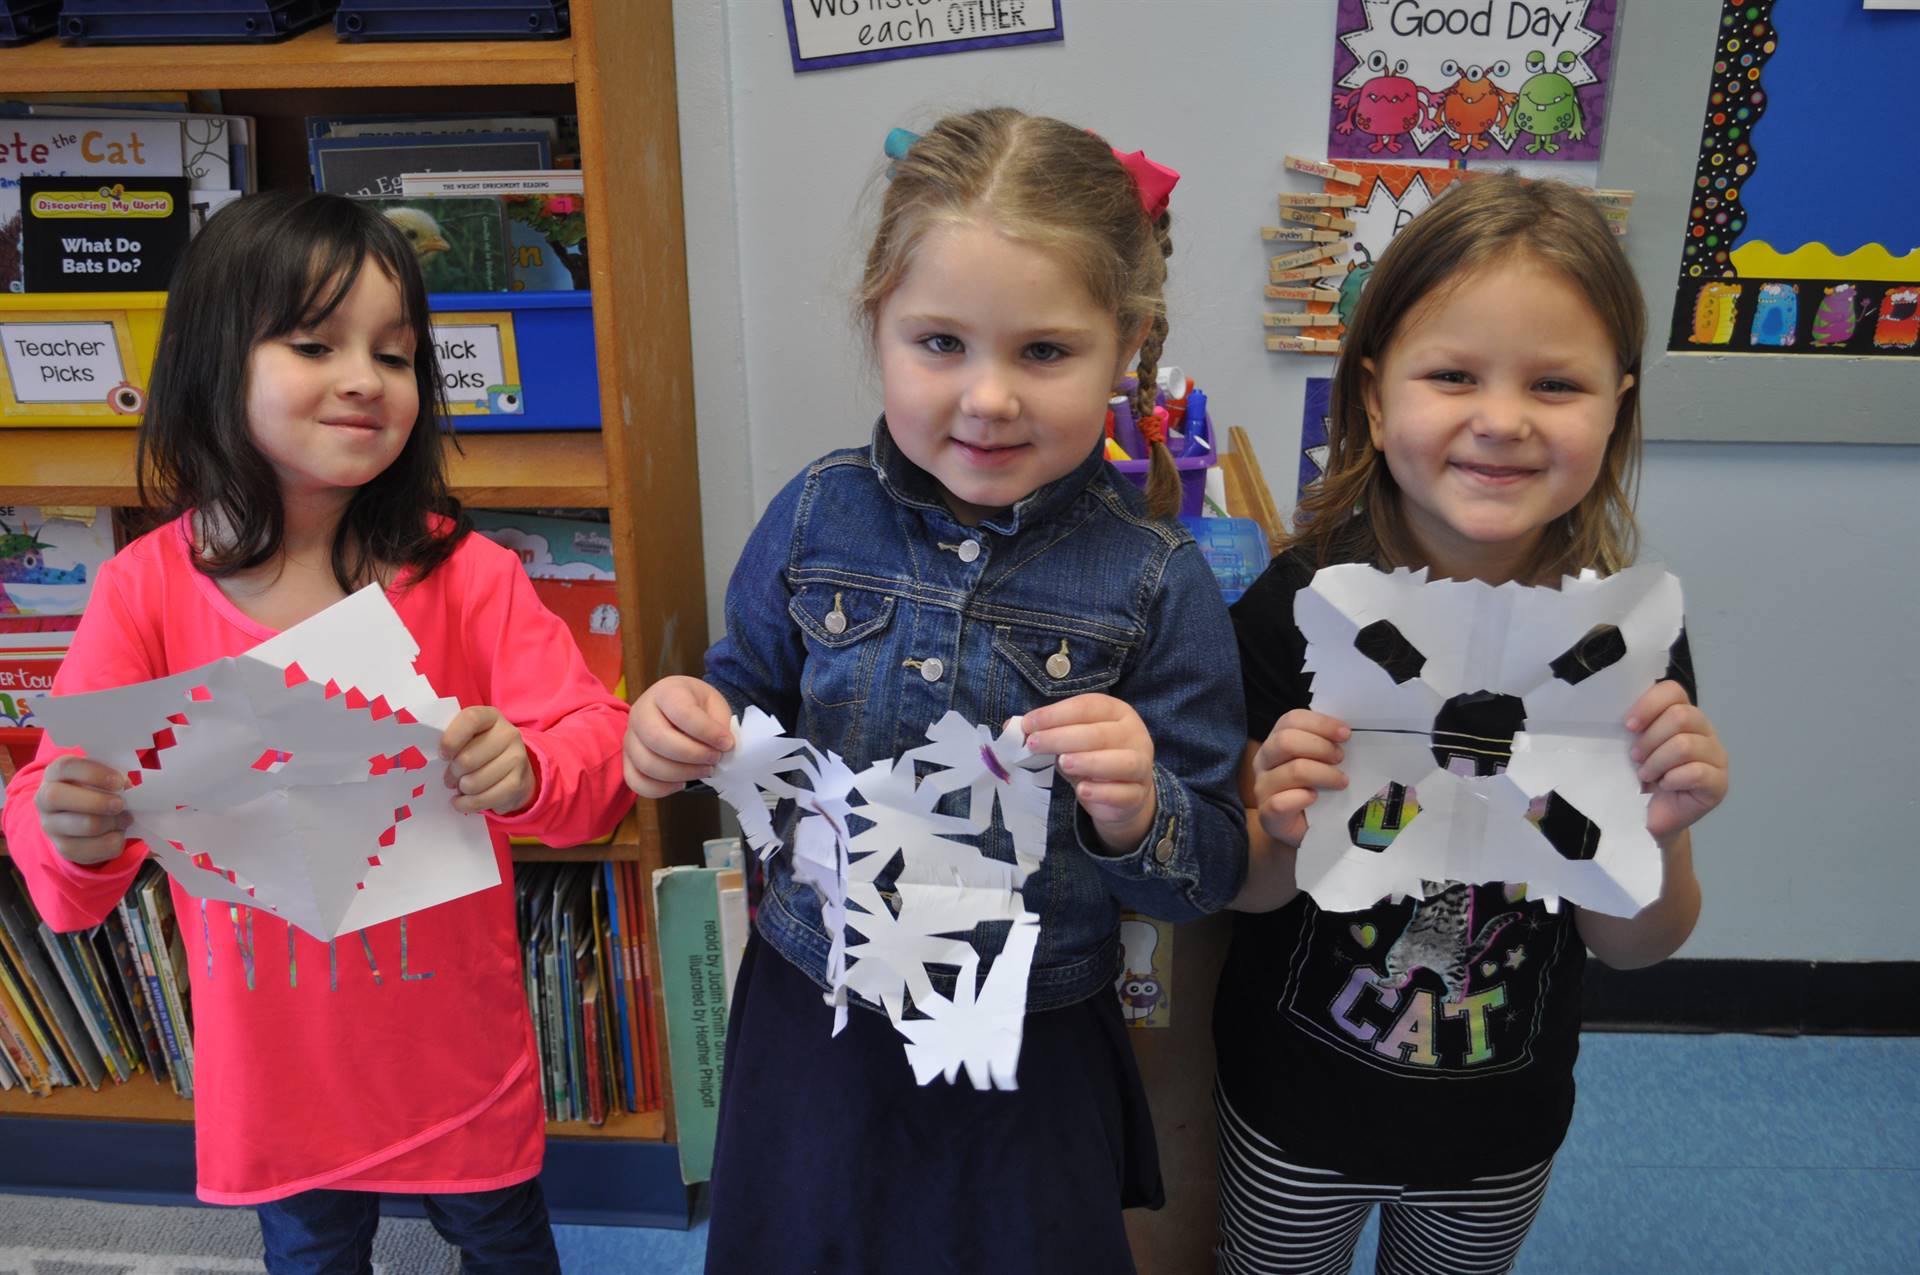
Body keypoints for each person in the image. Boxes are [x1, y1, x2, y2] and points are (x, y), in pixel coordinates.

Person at [623, 107, 1248, 1273]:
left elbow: (1207, 865)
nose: (989, 398)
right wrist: (675, 727)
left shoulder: (1158, 581)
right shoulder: (815, 515)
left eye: (1045, 352)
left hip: (1031, 1033)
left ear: (1130, 344)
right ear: (880, 326)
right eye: (941, 343)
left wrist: (1135, 808)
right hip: (819, 1010)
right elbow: (733, 698)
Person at [2, 192, 634, 1274]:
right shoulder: (145, 591)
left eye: (395, 355)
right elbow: (63, 852)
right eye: (312, 343)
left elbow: (599, 754)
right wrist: (75, 824)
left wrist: (530, 766)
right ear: (212, 366)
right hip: (277, 1070)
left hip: (454, 1051)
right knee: (309, 1250)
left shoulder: (467, 579)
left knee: (502, 1238)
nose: (363, 379)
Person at [1215, 175, 1730, 1275]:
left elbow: (1636, 942)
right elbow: (1247, 889)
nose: (1501, 419)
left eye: (1555, 383)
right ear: (1371, 395)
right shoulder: (1293, 612)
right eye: (1452, 375)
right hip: (1292, 1104)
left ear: (1618, 408)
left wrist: (1668, 830)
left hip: (1500, 1127)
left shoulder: (1628, 644)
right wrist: (1273, 813)